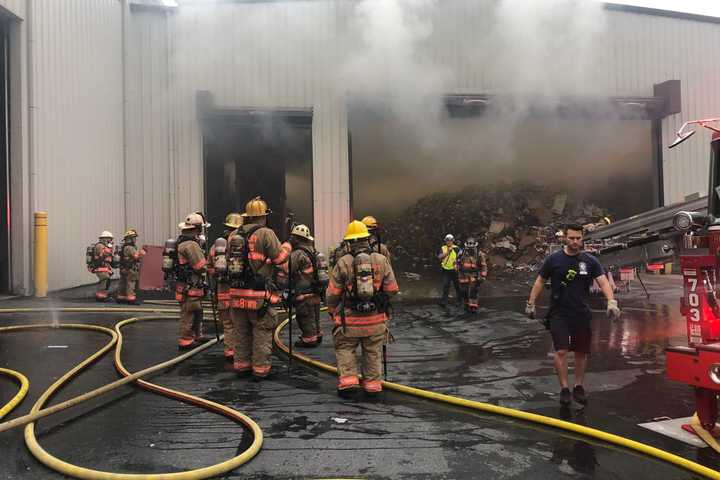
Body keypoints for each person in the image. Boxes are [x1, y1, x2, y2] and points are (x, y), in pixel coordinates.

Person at [525, 223, 621, 406]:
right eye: (571, 238)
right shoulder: (553, 260)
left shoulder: (590, 261)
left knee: (580, 352)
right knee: (561, 350)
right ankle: (564, 389)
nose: (575, 241)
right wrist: (531, 303)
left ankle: (578, 386)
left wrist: (611, 301)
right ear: (564, 238)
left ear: (582, 237)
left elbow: (603, 282)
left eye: (578, 238)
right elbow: (539, 282)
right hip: (559, 313)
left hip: (581, 313)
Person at [326, 220, 399, 398]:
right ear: (367, 239)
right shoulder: (381, 260)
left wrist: (332, 309)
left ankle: (349, 383)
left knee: (345, 348)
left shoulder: (343, 262)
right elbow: (392, 289)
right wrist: (380, 301)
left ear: (350, 242)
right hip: (375, 319)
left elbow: (333, 293)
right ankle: (373, 385)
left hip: (349, 320)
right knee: (372, 350)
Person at [229, 196, 290, 379]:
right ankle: (260, 369)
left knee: (241, 330)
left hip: (236, 292)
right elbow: (280, 258)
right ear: (263, 216)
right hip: (259, 294)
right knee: (262, 330)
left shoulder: (233, 236)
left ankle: (241, 365)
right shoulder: (266, 233)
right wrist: (287, 246)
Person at [278, 224, 324, 348]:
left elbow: (287, 268)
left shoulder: (298, 253)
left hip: (304, 293)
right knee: (314, 315)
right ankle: (317, 334)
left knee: (304, 317)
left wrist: (281, 257)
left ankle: (309, 339)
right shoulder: (313, 251)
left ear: (297, 238)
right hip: (316, 291)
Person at [208, 212, 242, 360]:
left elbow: (209, 267)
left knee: (227, 324)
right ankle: (241, 351)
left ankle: (230, 351)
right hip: (237, 290)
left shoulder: (217, 245)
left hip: (222, 290)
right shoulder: (241, 243)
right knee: (240, 324)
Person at [175, 213, 209, 350]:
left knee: (196, 310)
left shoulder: (182, 243)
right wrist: (212, 267)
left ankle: (196, 335)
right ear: (198, 228)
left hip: (186, 285)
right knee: (189, 312)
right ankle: (186, 340)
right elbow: (200, 266)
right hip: (190, 286)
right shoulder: (191, 245)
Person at [457, 237, 487, 312]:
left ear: (475, 244)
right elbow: (457, 261)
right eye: (469, 243)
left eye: (472, 243)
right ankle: (467, 303)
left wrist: (483, 276)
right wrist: (457, 268)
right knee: (463, 290)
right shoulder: (462, 252)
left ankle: (473, 306)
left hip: (474, 274)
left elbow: (483, 265)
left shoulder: (479, 254)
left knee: (474, 290)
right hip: (463, 275)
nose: (470, 245)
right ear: (466, 244)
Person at [116, 229, 146, 304]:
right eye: (134, 238)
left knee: (123, 282)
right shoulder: (130, 247)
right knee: (131, 283)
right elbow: (136, 256)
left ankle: (121, 297)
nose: (135, 239)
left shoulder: (124, 247)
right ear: (130, 238)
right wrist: (141, 253)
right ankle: (131, 298)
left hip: (124, 268)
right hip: (130, 268)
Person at [88, 231, 115, 302]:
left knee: (106, 281)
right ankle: (101, 297)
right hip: (100, 267)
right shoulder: (99, 246)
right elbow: (104, 254)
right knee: (104, 281)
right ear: (104, 238)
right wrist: (110, 247)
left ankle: (103, 296)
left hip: (104, 267)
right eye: (109, 239)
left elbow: (109, 257)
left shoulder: (104, 246)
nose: (110, 241)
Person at [437, 234, 462, 307]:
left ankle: (459, 301)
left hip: (455, 270)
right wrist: (447, 252)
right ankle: (444, 301)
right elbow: (439, 257)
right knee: (446, 285)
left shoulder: (457, 248)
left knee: (457, 286)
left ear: (453, 241)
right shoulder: (443, 248)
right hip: (446, 270)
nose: (449, 242)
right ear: (445, 241)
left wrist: (457, 264)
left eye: (450, 240)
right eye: (447, 240)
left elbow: (461, 257)